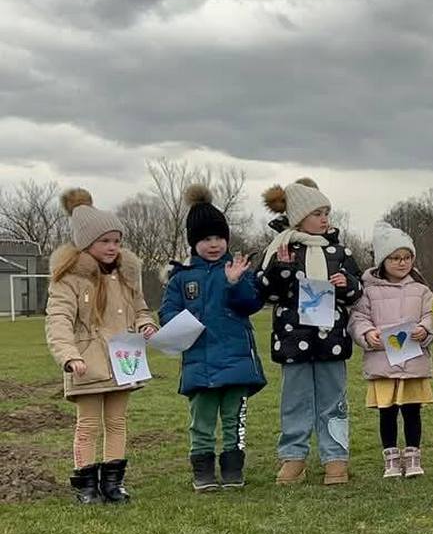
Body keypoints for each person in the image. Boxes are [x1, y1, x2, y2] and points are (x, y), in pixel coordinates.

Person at [45, 188, 158, 504]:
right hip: (88, 363)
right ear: (86, 243)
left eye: (117, 241)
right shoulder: (68, 280)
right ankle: (85, 485)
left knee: (117, 422)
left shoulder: (125, 277)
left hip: (123, 361)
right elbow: (58, 321)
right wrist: (69, 356)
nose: (113, 247)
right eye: (105, 241)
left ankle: (113, 483)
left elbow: (140, 308)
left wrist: (147, 324)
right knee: (88, 425)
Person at [160, 184, 266, 491]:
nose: (214, 244)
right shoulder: (181, 278)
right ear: (194, 242)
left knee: (234, 421)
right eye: (206, 238)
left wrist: (235, 283)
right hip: (199, 362)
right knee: (202, 423)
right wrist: (181, 326)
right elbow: (167, 314)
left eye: (219, 237)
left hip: (236, 363)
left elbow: (251, 304)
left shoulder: (237, 269)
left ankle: (233, 470)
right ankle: (203, 472)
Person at [257, 178, 362, 486]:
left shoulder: (340, 251)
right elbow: (266, 292)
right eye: (317, 213)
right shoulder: (280, 249)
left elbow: (357, 292)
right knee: (295, 402)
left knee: (334, 400)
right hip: (293, 340)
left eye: (327, 212)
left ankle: (335, 457)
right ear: (298, 217)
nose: (325, 218)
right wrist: (283, 269)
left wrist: (348, 284)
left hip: (331, 340)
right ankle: (293, 457)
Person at [349, 222, 433, 478]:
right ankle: (390, 458)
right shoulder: (368, 291)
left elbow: (432, 315)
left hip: (413, 362)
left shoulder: (421, 290)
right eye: (396, 258)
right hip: (382, 362)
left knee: (412, 411)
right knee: (387, 413)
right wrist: (367, 334)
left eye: (407, 257)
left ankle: (412, 457)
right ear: (383, 261)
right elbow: (357, 318)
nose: (402, 263)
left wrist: (425, 329)